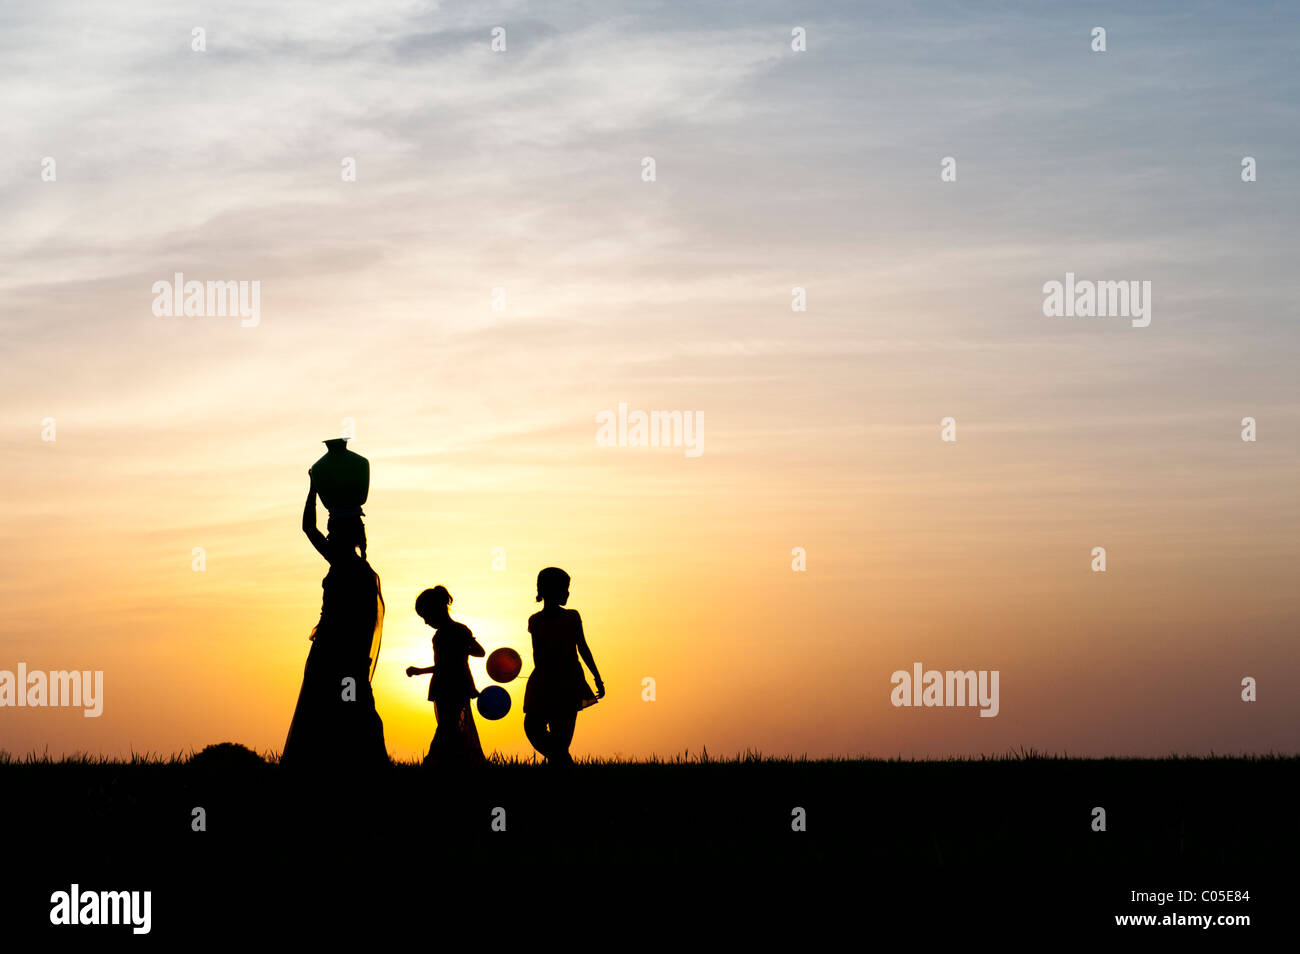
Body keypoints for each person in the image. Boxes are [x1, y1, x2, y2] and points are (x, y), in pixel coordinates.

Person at [281, 475, 388, 769]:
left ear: (342, 533)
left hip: (337, 654)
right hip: (342, 654)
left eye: (332, 528)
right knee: (345, 709)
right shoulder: (354, 566)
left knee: (333, 709)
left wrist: (314, 489)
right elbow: (309, 528)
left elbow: (307, 528)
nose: (327, 532)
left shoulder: (349, 567)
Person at [523, 567, 604, 765]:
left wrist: (597, 677)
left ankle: (560, 763)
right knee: (533, 726)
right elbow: (538, 655)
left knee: (562, 733)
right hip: (544, 682)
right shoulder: (534, 621)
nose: (568, 593)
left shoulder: (572, 617)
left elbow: (583, 648)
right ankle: (563, 762)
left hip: (568, 682)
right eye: (564, 588)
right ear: (549, 590)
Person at [406, 586, 487, 767]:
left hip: (448, 686)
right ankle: (453, 762)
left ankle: (434, 763)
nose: (426, 622)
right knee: (451, 727)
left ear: (436, 611)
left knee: (447, 727)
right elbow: (478, 652)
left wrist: (419, 671)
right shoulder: (458, 630)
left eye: (426, 616)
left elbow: (447, 665)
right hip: (457, 685)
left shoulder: (445, 634)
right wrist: (464, 646)